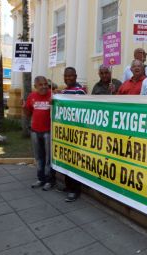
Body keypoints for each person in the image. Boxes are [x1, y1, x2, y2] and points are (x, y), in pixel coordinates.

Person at [59, 67, 85, 202]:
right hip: (65, 132)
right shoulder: (63, 92)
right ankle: (68, 186)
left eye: (71, 76)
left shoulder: (80, 91)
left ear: (75, 76)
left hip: (76, 133)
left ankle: (75, 190)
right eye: (66, 76)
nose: (68, 78)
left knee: (75, 161)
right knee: (67, 160)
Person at [24, 76, 55, 191]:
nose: (44, 87)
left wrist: (55, 102)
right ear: (35, 86)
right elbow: (27, 113)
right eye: (40, 85)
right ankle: (40, 178)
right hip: (35, 131)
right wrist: (23, 107)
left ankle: (49, 180)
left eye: (45, 84)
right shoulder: (32, 96)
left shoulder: (53, 95)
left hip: (48, 131)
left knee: (48, 158)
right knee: (39, 157)